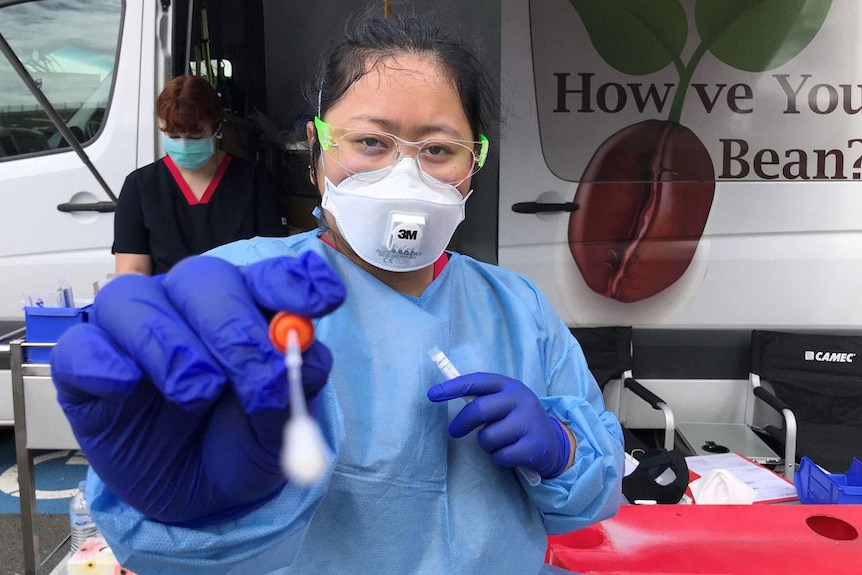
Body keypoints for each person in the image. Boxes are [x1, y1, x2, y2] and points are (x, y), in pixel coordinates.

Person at [50, 9, 624, 575]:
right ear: (316, 146)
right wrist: (196, 509)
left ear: (474, 161)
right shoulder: (238, 294)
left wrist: (563, 450)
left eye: (438, 150)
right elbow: (149, 543)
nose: (405, 175)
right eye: (370, 142)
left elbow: (589, 506)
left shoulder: (516, 308)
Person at [112, 74, 290, 275]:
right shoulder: (140, 187)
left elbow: (274, 263)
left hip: (240, 300)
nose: (184, 144)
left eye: (195, 137)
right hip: (167, 303)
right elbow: (131, 272)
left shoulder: (256, 181)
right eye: (174, 136)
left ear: (217, 127)